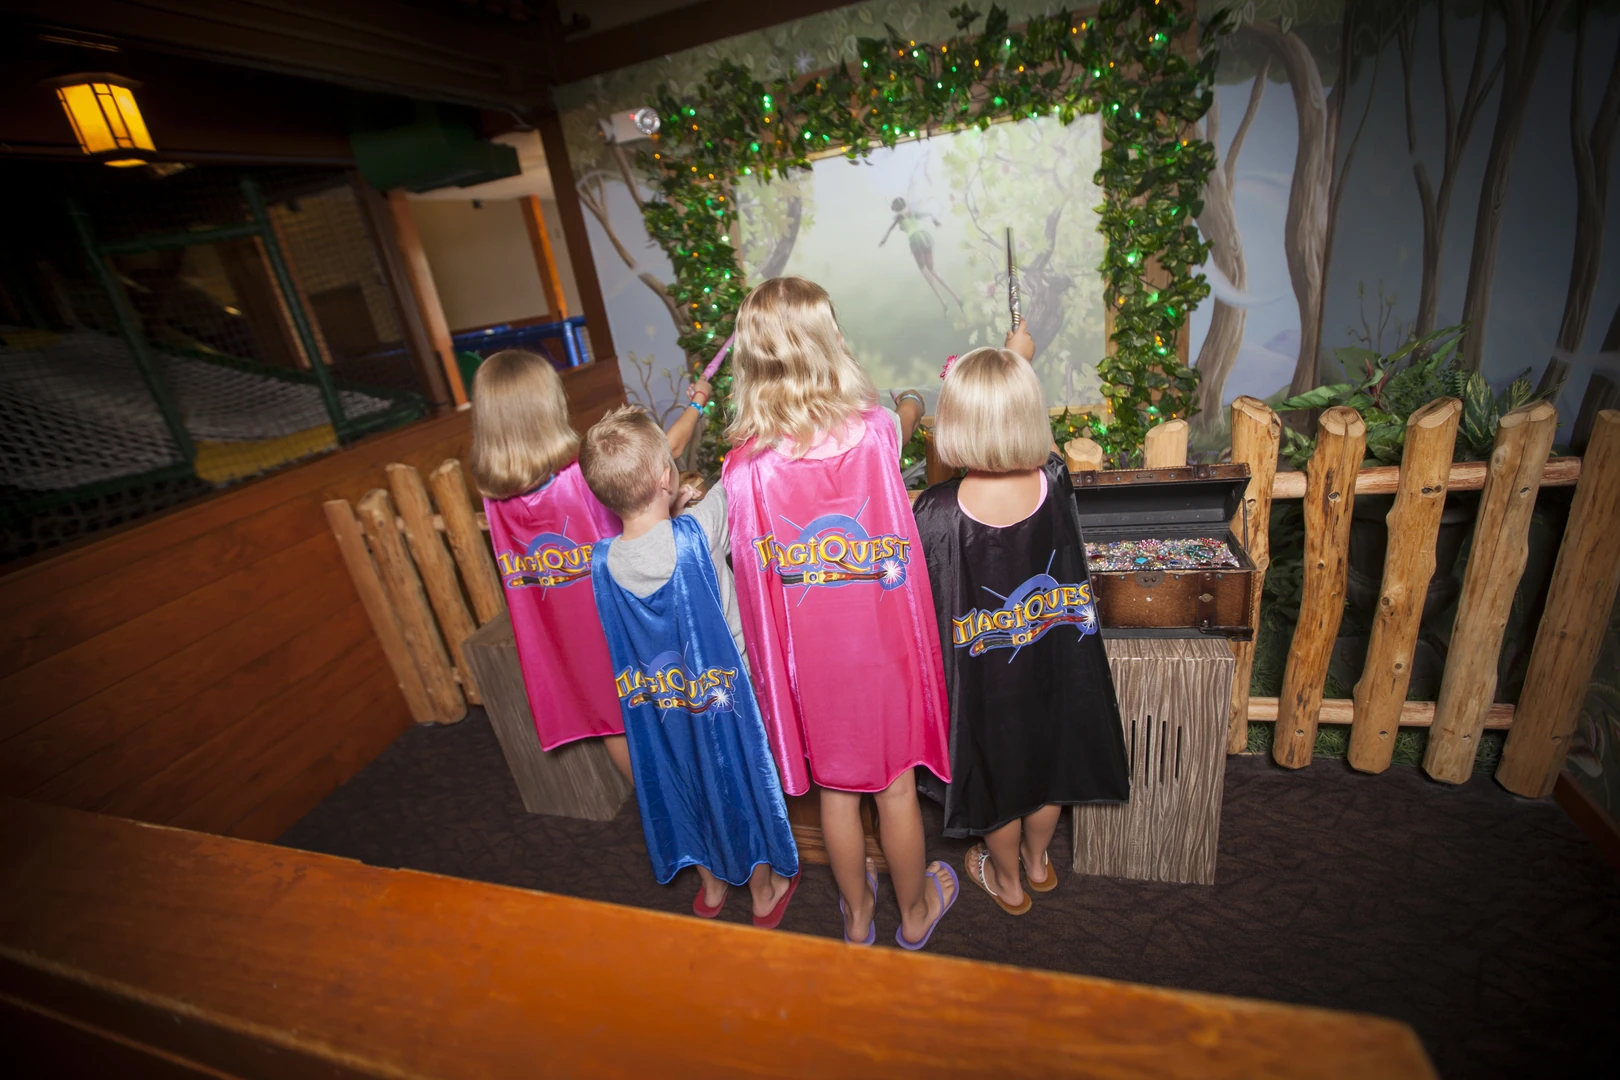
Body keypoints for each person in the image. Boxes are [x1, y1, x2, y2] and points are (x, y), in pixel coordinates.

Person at [721, 276, 957, 949]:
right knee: (896, 791)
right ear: (829, 343)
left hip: (813, 667)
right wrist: (911, 404)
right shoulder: (876, 432)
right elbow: (894, 426)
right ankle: (915, 913)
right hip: (883, 655)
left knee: (837, 795)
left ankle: (856, 916)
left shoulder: (745, 470)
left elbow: (756, 588)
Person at [912, 331, 1130, 915]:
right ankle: (1038, 863)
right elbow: (1043, 444)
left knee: (999, 783)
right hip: (1053, 671)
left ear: (954, 422)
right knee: (1047, 768)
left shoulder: (936, 510)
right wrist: (1020, 361)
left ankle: (1007, 882)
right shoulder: (1054, 482)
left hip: (984, 688)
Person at [579, 406, 801, 926]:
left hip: (661, 700)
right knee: (738, 779)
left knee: (684, 778)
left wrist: (670, 504)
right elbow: (733, 484)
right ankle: (764, 890)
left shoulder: (602, 560)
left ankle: (711, 883)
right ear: (665, 476)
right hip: (726, 694)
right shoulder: (697, 531)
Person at [469, 349, 710, 777]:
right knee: (670, 708)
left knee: (611, 723)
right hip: (621, 624)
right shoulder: (580, 477)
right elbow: (665, 451)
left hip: (565, 640)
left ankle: (658, 809)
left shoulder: (495, 502)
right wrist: (698, 403)